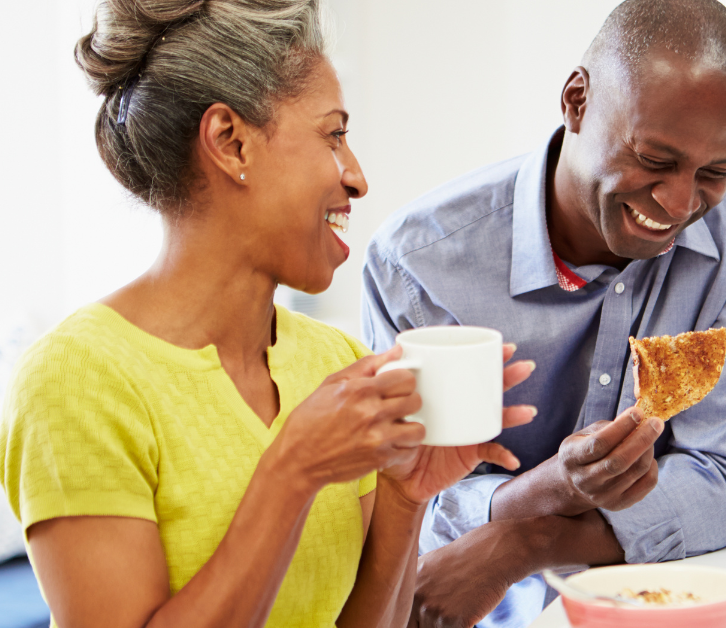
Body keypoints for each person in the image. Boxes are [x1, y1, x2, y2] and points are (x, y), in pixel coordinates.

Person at [0, 2, 536, 627]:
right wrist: (293, 470)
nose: (358, 177)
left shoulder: (334, 362)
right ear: (231, 143)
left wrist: (404, 495)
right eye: (333, 134)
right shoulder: (77, 380)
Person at [361, 0, 726, 625]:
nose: (679, 203)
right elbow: (416, 495)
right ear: (576, 101)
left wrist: (526, 541)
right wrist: (549, 489)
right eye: (654, 159)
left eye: (714, 172)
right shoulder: (420, 266)